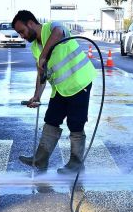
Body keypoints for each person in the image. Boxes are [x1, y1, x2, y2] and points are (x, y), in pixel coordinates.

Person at [12, 10, 96, 175]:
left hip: (79, 83)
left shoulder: (53, 27)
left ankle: (76, 163)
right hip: (60, 88)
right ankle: (41, 159)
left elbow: (58, 33)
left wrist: (44, 55)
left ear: (30, 23)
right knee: (51, 119)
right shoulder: (35, 47)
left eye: (22, 31)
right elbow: (42, 73)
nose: (21, 36)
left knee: (76, 123)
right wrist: (37, 96)